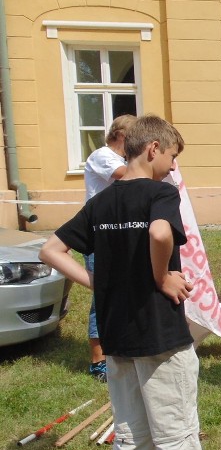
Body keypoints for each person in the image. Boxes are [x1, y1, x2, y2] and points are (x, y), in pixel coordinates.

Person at [39, 115, 221, 450]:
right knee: (178, 425)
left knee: (127, 427)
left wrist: (96, 283)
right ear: (152, 149)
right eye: (172, 157)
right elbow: (161, 231)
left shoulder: (102, 201)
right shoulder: (160, 193)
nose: (173, 168)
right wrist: (162, 276)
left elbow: (50, 249)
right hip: (160, 334)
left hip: (117, 336)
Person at [81, 114, 134, 381]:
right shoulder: (102, 156)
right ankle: (98, 360)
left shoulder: (122, 158)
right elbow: (127, 177)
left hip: (116, 233)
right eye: (136, 138)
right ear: (123, 135)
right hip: (97, 235)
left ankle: (116, 348)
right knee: (101, 295)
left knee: (119, 290)